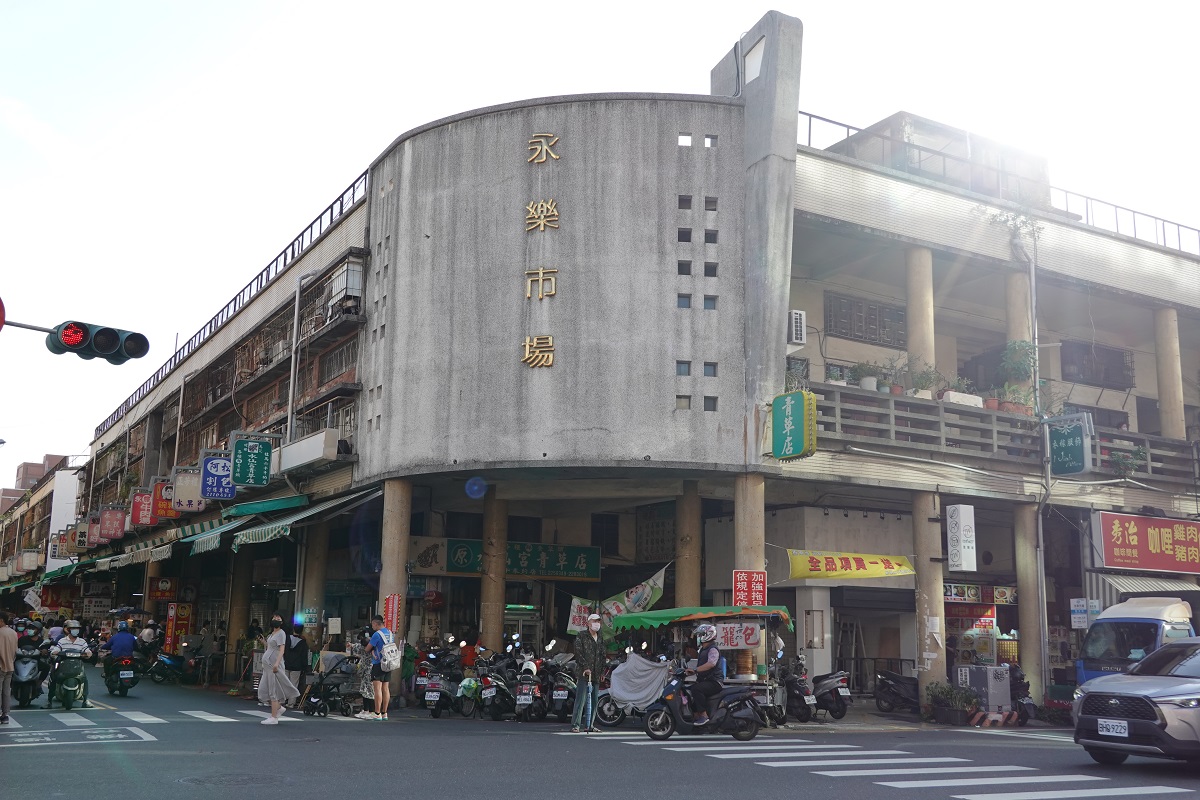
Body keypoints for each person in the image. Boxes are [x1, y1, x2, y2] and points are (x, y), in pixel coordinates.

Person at [256, 612, 299, 725]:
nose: (276, 619)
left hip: (273, 665)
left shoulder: (281, 633)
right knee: (263, 689)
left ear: (282, 622)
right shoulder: (272, 634)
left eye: (278, 618)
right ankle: (279, 708)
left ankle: (274, 717)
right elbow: (271, 647)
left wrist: (276, 663)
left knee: (273, 689)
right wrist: (263, 642)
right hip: (267, 666)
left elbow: (281, 650)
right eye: (274, 617)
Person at [571, 613, 606, 733]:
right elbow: (578, 653)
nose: (597, 624)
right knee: (581, 699)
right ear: (589, 623)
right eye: (595, 621)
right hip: (584, 673)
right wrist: (585, 667)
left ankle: (590, 724)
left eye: (598, 621)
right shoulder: (582, 636)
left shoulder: (600, 637)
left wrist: (602, 672)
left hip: (596, 673)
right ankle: (576, 725)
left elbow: (602, 655)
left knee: (594, 701)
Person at [47, 620, 93, 709]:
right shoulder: (62, 641)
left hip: (77, 666)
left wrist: (88, 653)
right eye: (73, 629)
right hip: (63, 665)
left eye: (77, 629)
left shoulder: (82, 641)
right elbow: (56, 649)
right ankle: (49, 701)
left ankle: (85, 700)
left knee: (84, 679)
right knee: (54, 677)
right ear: (68, 630)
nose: (76, 630)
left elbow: (87, 651)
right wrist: (55, 652)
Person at [688, 623, 722, 726]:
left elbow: (711, 664)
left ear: (708, 635)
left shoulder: (712, 649)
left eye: (701, 634)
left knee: (696, 689)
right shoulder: (703, 649)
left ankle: (704, 716)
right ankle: (695, 716)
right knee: (688, 691)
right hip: (706, 680)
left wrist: (695, 670)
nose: (699, 637)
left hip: (714, 681)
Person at [364, 614, 393, 721]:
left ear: (376, 623)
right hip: (389, 663)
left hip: (378, 663)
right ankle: (385, 713)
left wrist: (372, 650)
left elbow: (367, 649)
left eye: (373, 624)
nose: (372, 626)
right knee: (386, 688)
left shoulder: (377, 634)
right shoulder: (390, 633)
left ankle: (377, 713)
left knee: (377, 689)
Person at [283, 623, 310, 708]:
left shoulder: (287, 639)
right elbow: (304, 657)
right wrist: (305, 667)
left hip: (286, 664)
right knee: (294, 684)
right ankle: (291, 703)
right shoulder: (302, 643)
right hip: (297, 667)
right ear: (301, 631)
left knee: (285, 683)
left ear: (293, 629)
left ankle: (283, 700)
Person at [350, 627, 375, 717]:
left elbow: (357, 647)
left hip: (367, 671)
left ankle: (369, 710)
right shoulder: (373, 645)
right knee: (367, 690)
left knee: (367, 690)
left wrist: (351, 645)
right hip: (370, 670)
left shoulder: (365, 646)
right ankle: (367, 710)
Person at [0, 611, 18, 724]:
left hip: (0, 665)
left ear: (1, 620)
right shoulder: (13, 633)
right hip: (10, 665)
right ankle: (5, 714)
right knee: (6, 691)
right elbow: (16, 650)